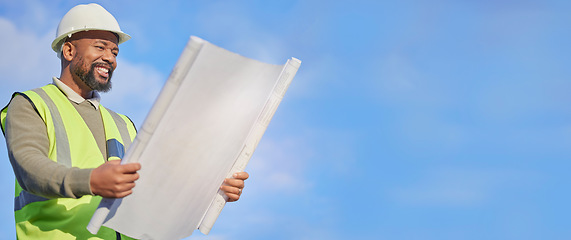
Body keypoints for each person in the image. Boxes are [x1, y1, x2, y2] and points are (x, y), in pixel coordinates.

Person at [0, 3, 248, 239]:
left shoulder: (123, 123)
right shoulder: (31, 104)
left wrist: (210, 191)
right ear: (68, 50)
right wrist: (92, 181)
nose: (110, 58)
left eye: (114, 51)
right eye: (100, 47)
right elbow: (30, 168)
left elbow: (149, 191)